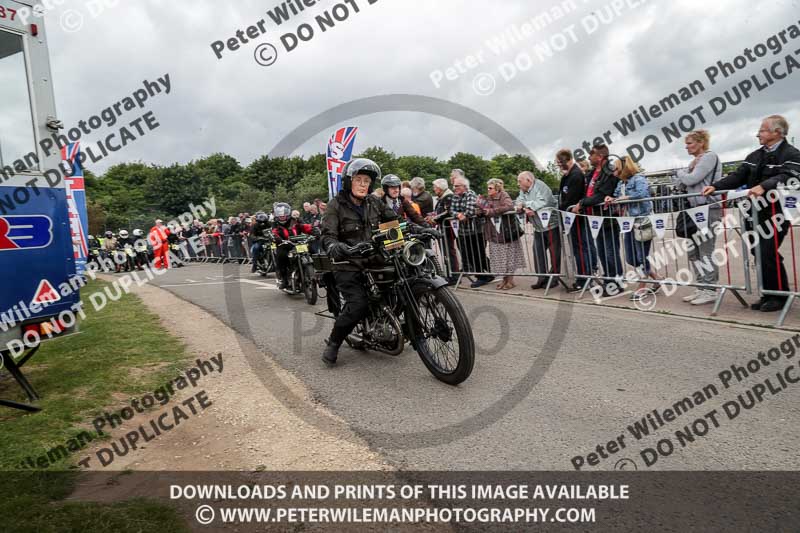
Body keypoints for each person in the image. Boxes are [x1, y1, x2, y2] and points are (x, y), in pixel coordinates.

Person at [704, 114, 800, 312]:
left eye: (763, 130)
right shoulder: (755, 156)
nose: (758, 134)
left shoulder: (792, 154)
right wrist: (715, 186)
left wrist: (765, 186)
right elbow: (738, 176)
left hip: (776, 211)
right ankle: (770, 293)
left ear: (777, 132)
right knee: (760, 252)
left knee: (767, 250)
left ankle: (778, 297)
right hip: (753, 212)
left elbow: (789, 176)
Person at [319, 158, 399, 366]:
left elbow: (393, 222)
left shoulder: (374, 202)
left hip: (374, 258)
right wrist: (336, 247)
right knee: (357, 305)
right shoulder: (335, 205)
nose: (363, 184)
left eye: (367, 181)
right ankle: (335, 342)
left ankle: (391, 323)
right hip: (348, 262)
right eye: (359, 179)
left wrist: (417, 230)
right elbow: (328, 236)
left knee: (399, 281)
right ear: (348, 181)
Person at [672, 130, 723, 306]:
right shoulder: (693, 161)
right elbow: (681, 184)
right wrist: (684, 173)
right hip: (694, 210)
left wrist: (681, 173)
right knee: (694, 252)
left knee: (706, 250)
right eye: (686, 144)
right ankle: (701, 285)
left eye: (690, 143)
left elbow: (691, 179)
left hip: (708, 209)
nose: (687, 147)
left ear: (701, 143)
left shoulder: (709, 157)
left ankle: (710, 289)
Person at [606, 156, 661, 300]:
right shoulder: (621, 183)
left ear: (624, 168)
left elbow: (642, 194)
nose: (614, 172)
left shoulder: (639, 179)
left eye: (616, 168)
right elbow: (616, 195)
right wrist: (610, 198)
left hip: (642, 222)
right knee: (631, 258)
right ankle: (655, 278)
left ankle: (642, 286)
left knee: (641, 256)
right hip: (627, 223)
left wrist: (626, 198)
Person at [571, 144, 621, 296]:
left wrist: (582, 203)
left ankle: (616, 284)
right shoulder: (591, 173)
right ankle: (608, 282)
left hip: (607, 219)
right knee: (602, 252)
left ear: (599, 157)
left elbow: (601, 195)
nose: (588, 158)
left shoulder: (610, 173)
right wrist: (581, 201)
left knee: (610, 252)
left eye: (591, 155)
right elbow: (587, 192)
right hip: (595, 219)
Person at [477, 179, 525, 290]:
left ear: (497, 188)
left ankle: (510, 280)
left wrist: (492, 211)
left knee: (509, 257)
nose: (488, 190)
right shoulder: (488, 198)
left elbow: (508, 206)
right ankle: (504, 280)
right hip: (493, 233)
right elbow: (485, 210)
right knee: (499, 258)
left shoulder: (504, 195)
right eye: (487, 188)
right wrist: (480, 211)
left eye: (490, 188)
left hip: (506, 232)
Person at [516, 170, 560, 289]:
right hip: (538, 227)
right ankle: (542, 278)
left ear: (528, 180)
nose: (518, 184)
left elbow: (544, 202)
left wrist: (526, 205)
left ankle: (554, 278)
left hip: (551, 225)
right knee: (537, 252)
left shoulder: (540, 186)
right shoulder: (523, 190)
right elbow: (519, 200)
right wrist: (521, 205)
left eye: (519, 181)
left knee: (554, 253)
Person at [557, 149, 594, 291]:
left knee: (581, 249)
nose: (559, 166)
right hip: (570, 217)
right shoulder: (568, 175)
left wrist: (560, 208)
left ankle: (584, 279)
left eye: (560, 163)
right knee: (578, 248)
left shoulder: (576, 175)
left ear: (567, 160)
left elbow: (571, 199)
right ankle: (583, 277)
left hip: (576, 217)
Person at [451, 175, 493, 288]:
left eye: (457, 186)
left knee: (477, 254)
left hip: (476, 230)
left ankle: (482, 277)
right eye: (454, 186)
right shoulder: (455, 196)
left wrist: (462, 213)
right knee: (469, 255)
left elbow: (470, 211)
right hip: (463, 231)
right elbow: (452, 210)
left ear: (464, 186)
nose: (454, 188)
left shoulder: (470, 194)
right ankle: (488, 274)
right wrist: (459, 214)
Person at [272, 203, 317, 289]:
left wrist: (314, 230)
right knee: (281, 256)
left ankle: (318, 273)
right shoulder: (275, 223)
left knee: (312, 251)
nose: (282, 217)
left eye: (284, 216)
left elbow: (305, 227)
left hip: (298, 243)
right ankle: (284, 279)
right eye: (280, 216)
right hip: (284, 244)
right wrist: (276, 238)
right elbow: (274, 232)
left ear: (288, 214)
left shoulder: (295, 221)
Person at [429, 178, 460, 284]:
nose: (434, 189)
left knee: (449, 252)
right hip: (444, 227)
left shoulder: (448, 196)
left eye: (435, 187)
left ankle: (454, 276)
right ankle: (450, 274)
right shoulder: (444, 197)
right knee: (446, 252)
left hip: (448, 228)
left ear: (440, 188)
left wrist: (435, 218)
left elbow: (448, 212)